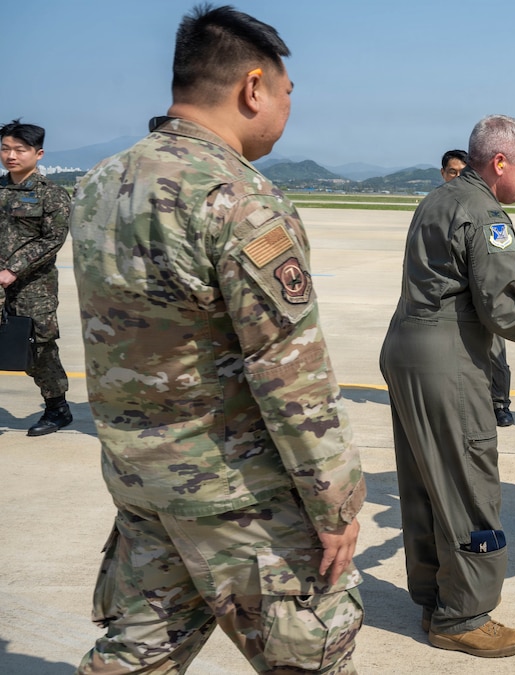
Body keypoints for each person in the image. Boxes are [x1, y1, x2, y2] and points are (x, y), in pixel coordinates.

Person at [69, 6, 366, 673]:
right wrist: (337, 501)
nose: (288, 110)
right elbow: (290, 372)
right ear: (253, 87)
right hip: (234, 491)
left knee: (139, 651)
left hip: (141, 482)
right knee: (313, 656)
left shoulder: (99, 184)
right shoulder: (239, 198)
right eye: (288, 94)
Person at [379, 114, 515, 658]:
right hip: (448, 362)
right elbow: (503, 307)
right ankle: (464, 614)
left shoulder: (439, 198)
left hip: (406, 350)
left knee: (428, 483)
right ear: (499, 162)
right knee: (470, 482)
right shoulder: (486, 213)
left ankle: (434, 596)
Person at [0, 119, 73, 436]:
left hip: (33, 288)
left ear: (38, 153)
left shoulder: (51, 195)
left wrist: (12, 269)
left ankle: (57, 408)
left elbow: (52, 239)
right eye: (5, 148)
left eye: (19, 149)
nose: (11, 155)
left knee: (39, 348)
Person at [443, 148, 515, 427]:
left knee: (497, 353)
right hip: (456, 301)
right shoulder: (438, 207)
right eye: (452, 172)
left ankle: (500, 404)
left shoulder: (483, 208)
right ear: (443, 174)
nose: (457, 176)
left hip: (484, 295)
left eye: (463, 171)